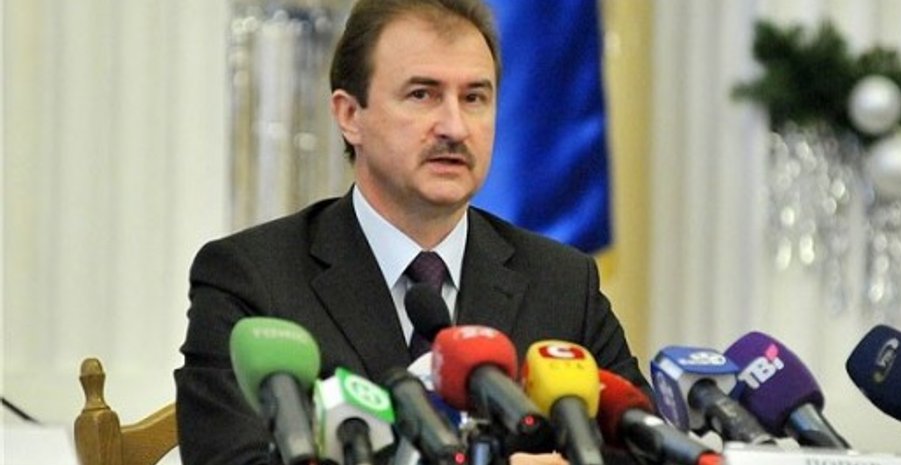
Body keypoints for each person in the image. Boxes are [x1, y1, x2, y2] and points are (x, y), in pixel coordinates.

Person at [174, 0, 650, 464]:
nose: (454, 127)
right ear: (349, 116)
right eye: (422, 94)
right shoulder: (251, 279)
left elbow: (645, 446)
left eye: (474, 98)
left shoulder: (562, 282)